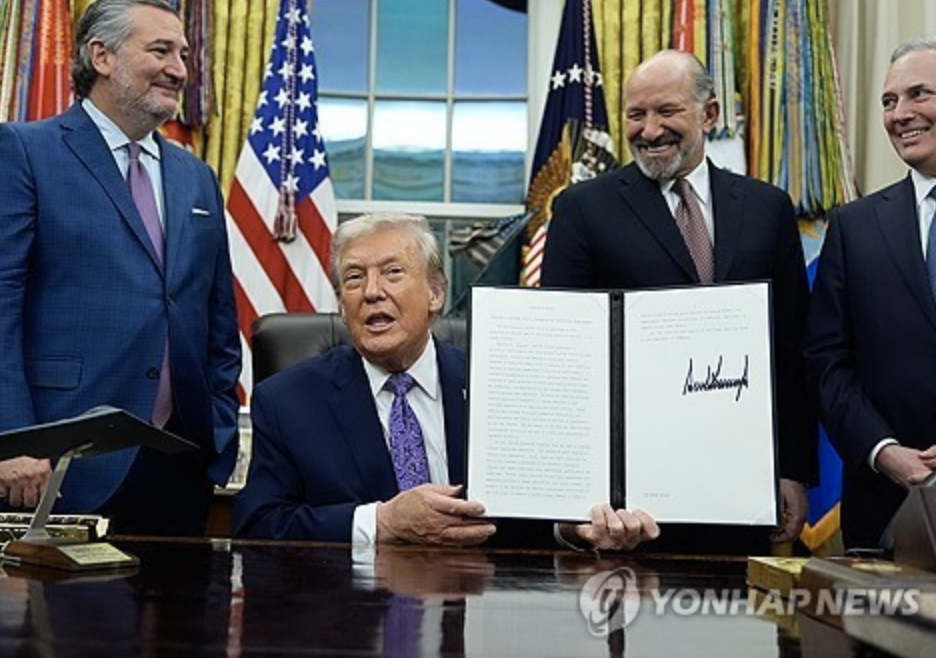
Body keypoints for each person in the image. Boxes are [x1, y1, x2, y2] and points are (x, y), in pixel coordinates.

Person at [234, 213, 658, 550]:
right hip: (352, 612)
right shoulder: (287, 401)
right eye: (354, 278)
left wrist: (572, 530)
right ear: (342, 308)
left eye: (393, 272)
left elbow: (529, 513)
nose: (372, 291)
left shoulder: (504, 386)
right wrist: (381, 522)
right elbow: (257, 526)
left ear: (436, 293)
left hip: (477, 612)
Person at [541, 49, 817, 548]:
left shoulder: (767, 208)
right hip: (628, 501)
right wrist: (575, 492)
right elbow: (561, 357)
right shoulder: (582, 209)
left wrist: (793, 469)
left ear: (709, 114)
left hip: (743, 484)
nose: (649, 130)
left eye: (667, 111)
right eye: (636, 114)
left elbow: (791, 350)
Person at [0, 0, 241, 535]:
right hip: (57, 463)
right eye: (160, 51)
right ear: (101, 56)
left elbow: (218, 321)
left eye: (183, 54)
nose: (179, 69)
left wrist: (218, 429)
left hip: (180, 464)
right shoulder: (25, 152)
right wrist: (13, 438)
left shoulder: (197, 177)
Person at [804, 35, 936, 549]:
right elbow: (826, 360)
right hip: (884, 510)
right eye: (888, 101)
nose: (900, 114)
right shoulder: (854, 227)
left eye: (919, 94)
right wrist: (883, 450)